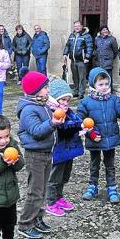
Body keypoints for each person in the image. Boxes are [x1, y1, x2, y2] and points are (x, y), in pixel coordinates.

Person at [16, 70, 64, 239]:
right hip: (34, 155)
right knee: (35, 191)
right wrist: (52, 123)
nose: (48, 91)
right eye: (45, 88)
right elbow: (36, 131)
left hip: (45, 152)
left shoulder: (42, 104)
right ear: (35, 90)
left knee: (42, 190)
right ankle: (25, 223)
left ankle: (37, 218)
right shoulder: (28, 110)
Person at [78, 68, 120, 204]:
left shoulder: (113, 99)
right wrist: (90, 132)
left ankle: (112, 187)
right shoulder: (86, 102)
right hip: (95, 139)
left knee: (110, 164)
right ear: (93, 85)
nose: (104, 87)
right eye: (100, 84)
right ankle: (93, 186)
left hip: (110, 139)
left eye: (106, 84)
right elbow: (80, 119)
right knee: (94, 164)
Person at [44, 78, 85, 217]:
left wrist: (82, 126)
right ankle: (50, 202)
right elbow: (63, 129)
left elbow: (77, 121)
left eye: (68, 100)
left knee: (64, 177)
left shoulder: (69, 112)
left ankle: (59, 197)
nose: (66, 103)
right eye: (63, 100)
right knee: (54, 178)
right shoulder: (53, 113)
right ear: (55, 100)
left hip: (68, 151)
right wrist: (78, 127)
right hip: (58, 151)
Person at [63, 21, 93, 99]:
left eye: (78, 26)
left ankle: (81, 93)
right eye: (75, 26)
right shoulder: (72, 35)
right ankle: (76, 91)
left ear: (82, 26)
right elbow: (67, 45)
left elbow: (89, 47)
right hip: (73, 60)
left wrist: (87, 57)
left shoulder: (86, 36)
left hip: (81, 61)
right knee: (75, 77)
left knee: (82, 77)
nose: (76, 27)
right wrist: (65, 54)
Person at [93, 26, 118, 91]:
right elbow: (95, 48)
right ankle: (100, 91)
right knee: (99, 78)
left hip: (108, 62)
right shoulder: (97, 39)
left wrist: (111, 58)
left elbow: (115, 51)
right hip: (99, 62)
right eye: (103, 30)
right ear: (100, 31)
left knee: (108, 78)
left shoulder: (112, 39)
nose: (105, 31)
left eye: (106, 30)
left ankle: (110, 92)